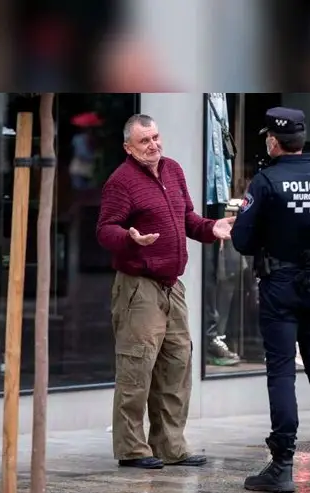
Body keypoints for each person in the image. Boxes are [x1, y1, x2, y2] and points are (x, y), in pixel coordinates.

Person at [97, 114, 236, 469]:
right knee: (137, 368)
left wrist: (211, 227)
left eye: (156, 137)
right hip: (138, 287)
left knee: (177, 365)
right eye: (144, 141)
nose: (153, 145)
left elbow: (187, 218)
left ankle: (170, 445)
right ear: (129, 147)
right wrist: (128, 238)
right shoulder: (121, 181)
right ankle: (132, 449)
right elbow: (105, 230)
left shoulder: (173, 170)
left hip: (173, 286)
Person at [231, 107, 310, 493]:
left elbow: (242, 240)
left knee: (282, 372)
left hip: (280, 284)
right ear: (301, 139)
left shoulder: (265, 182)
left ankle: (283, 467)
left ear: (273, 141)